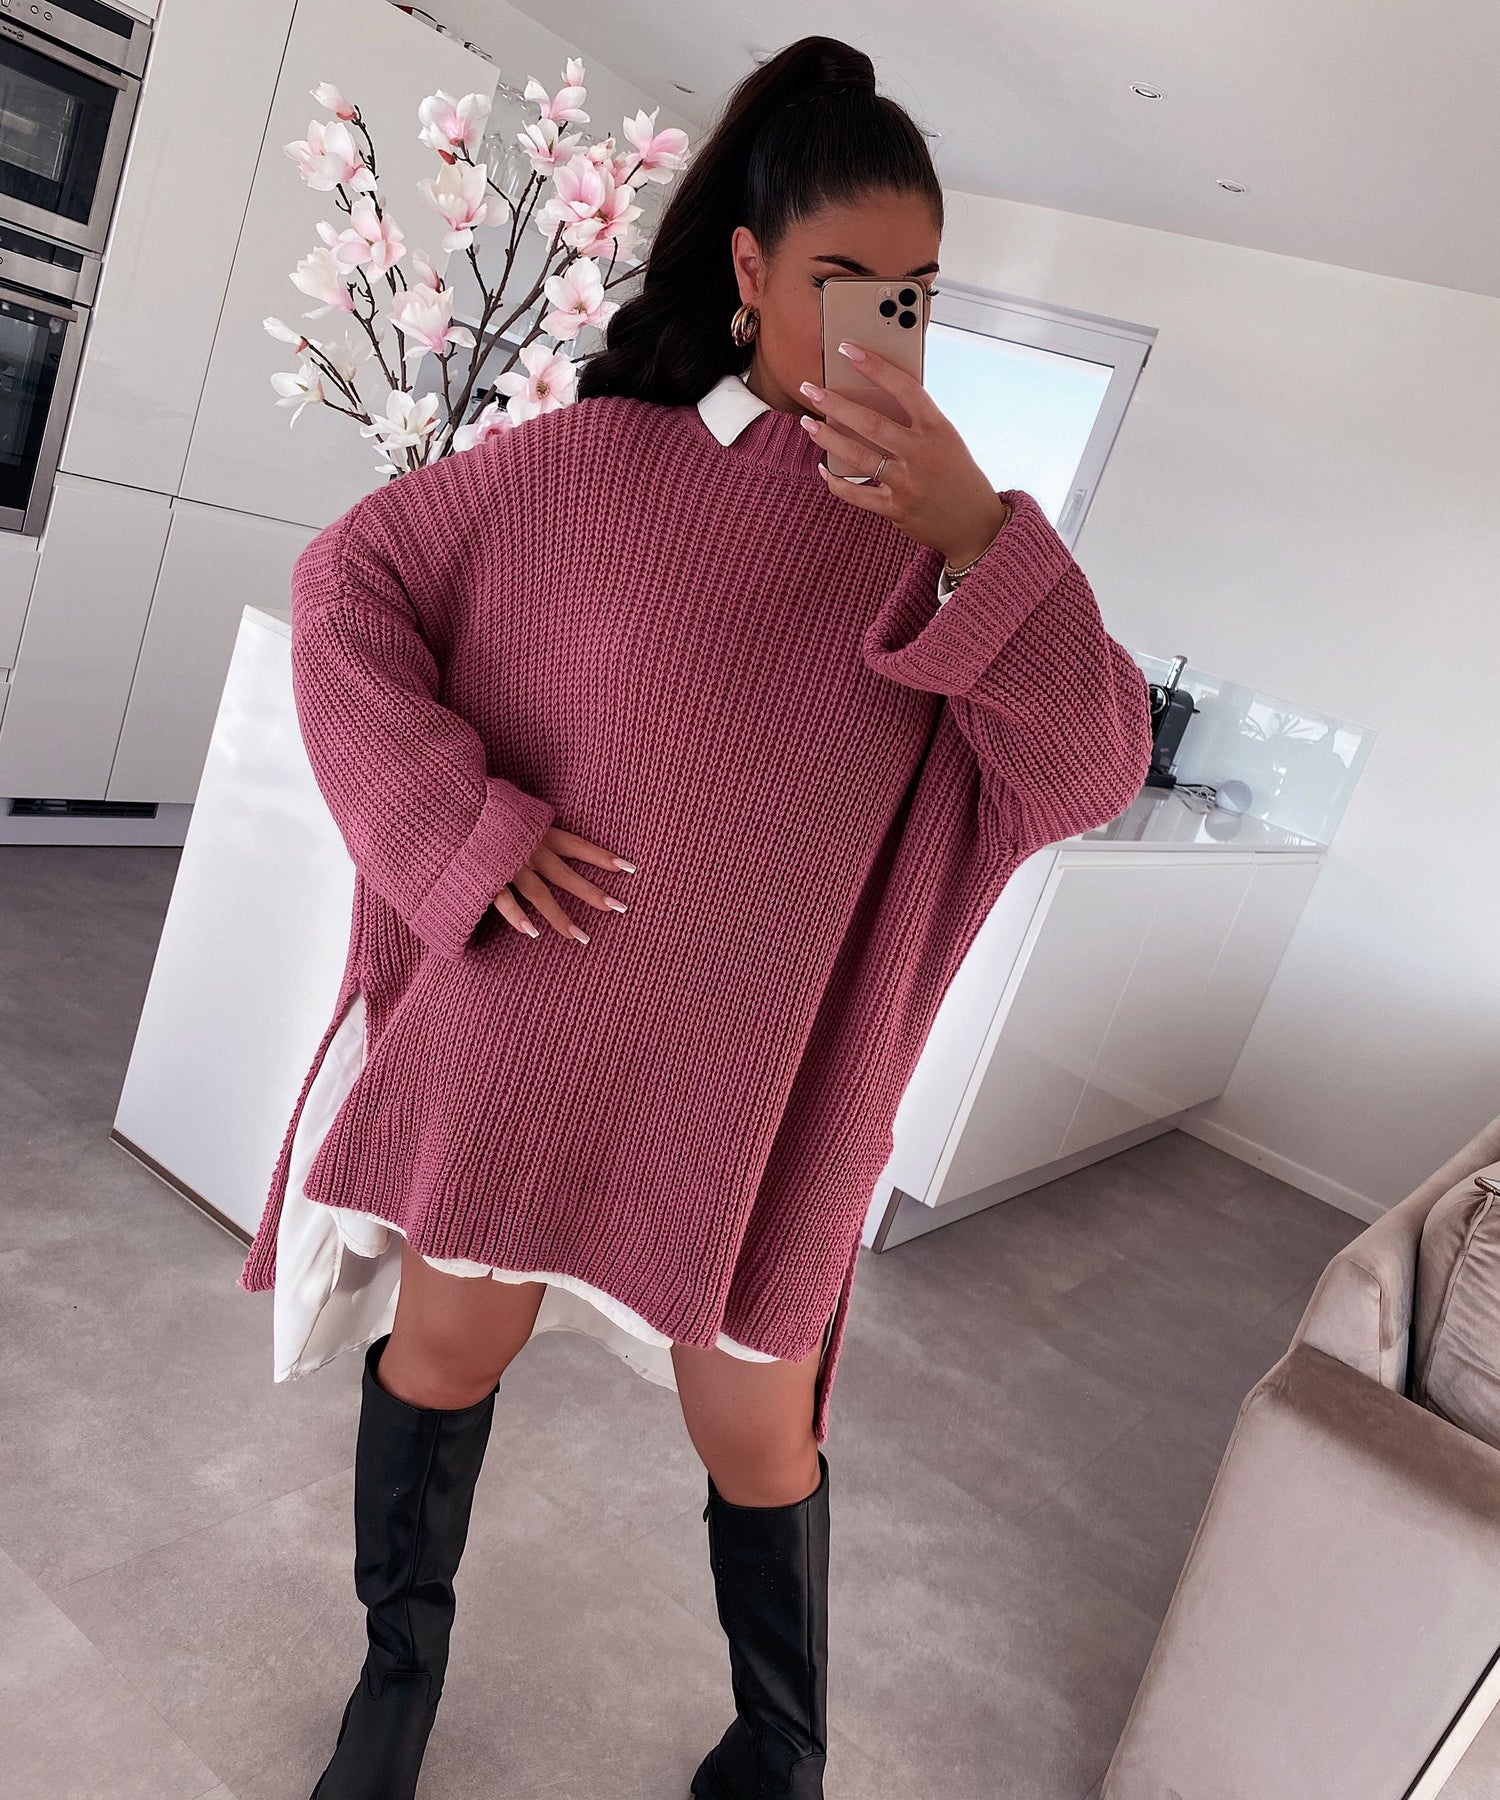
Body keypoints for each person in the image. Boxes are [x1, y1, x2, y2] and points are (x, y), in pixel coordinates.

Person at [241, 30, 1154, 1800]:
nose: (885, 326)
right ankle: (395, 1683)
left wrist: (980, 531)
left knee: (759, 1430)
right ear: (748, 267)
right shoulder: (589, 463)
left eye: (917, 294)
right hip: (533, 1032)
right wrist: (458, 826)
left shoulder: (937, 544)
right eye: (846, 281)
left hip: (764, 1101)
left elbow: (1092, 762)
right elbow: (346, 585)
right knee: (444, 1351)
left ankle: (780, 1746)